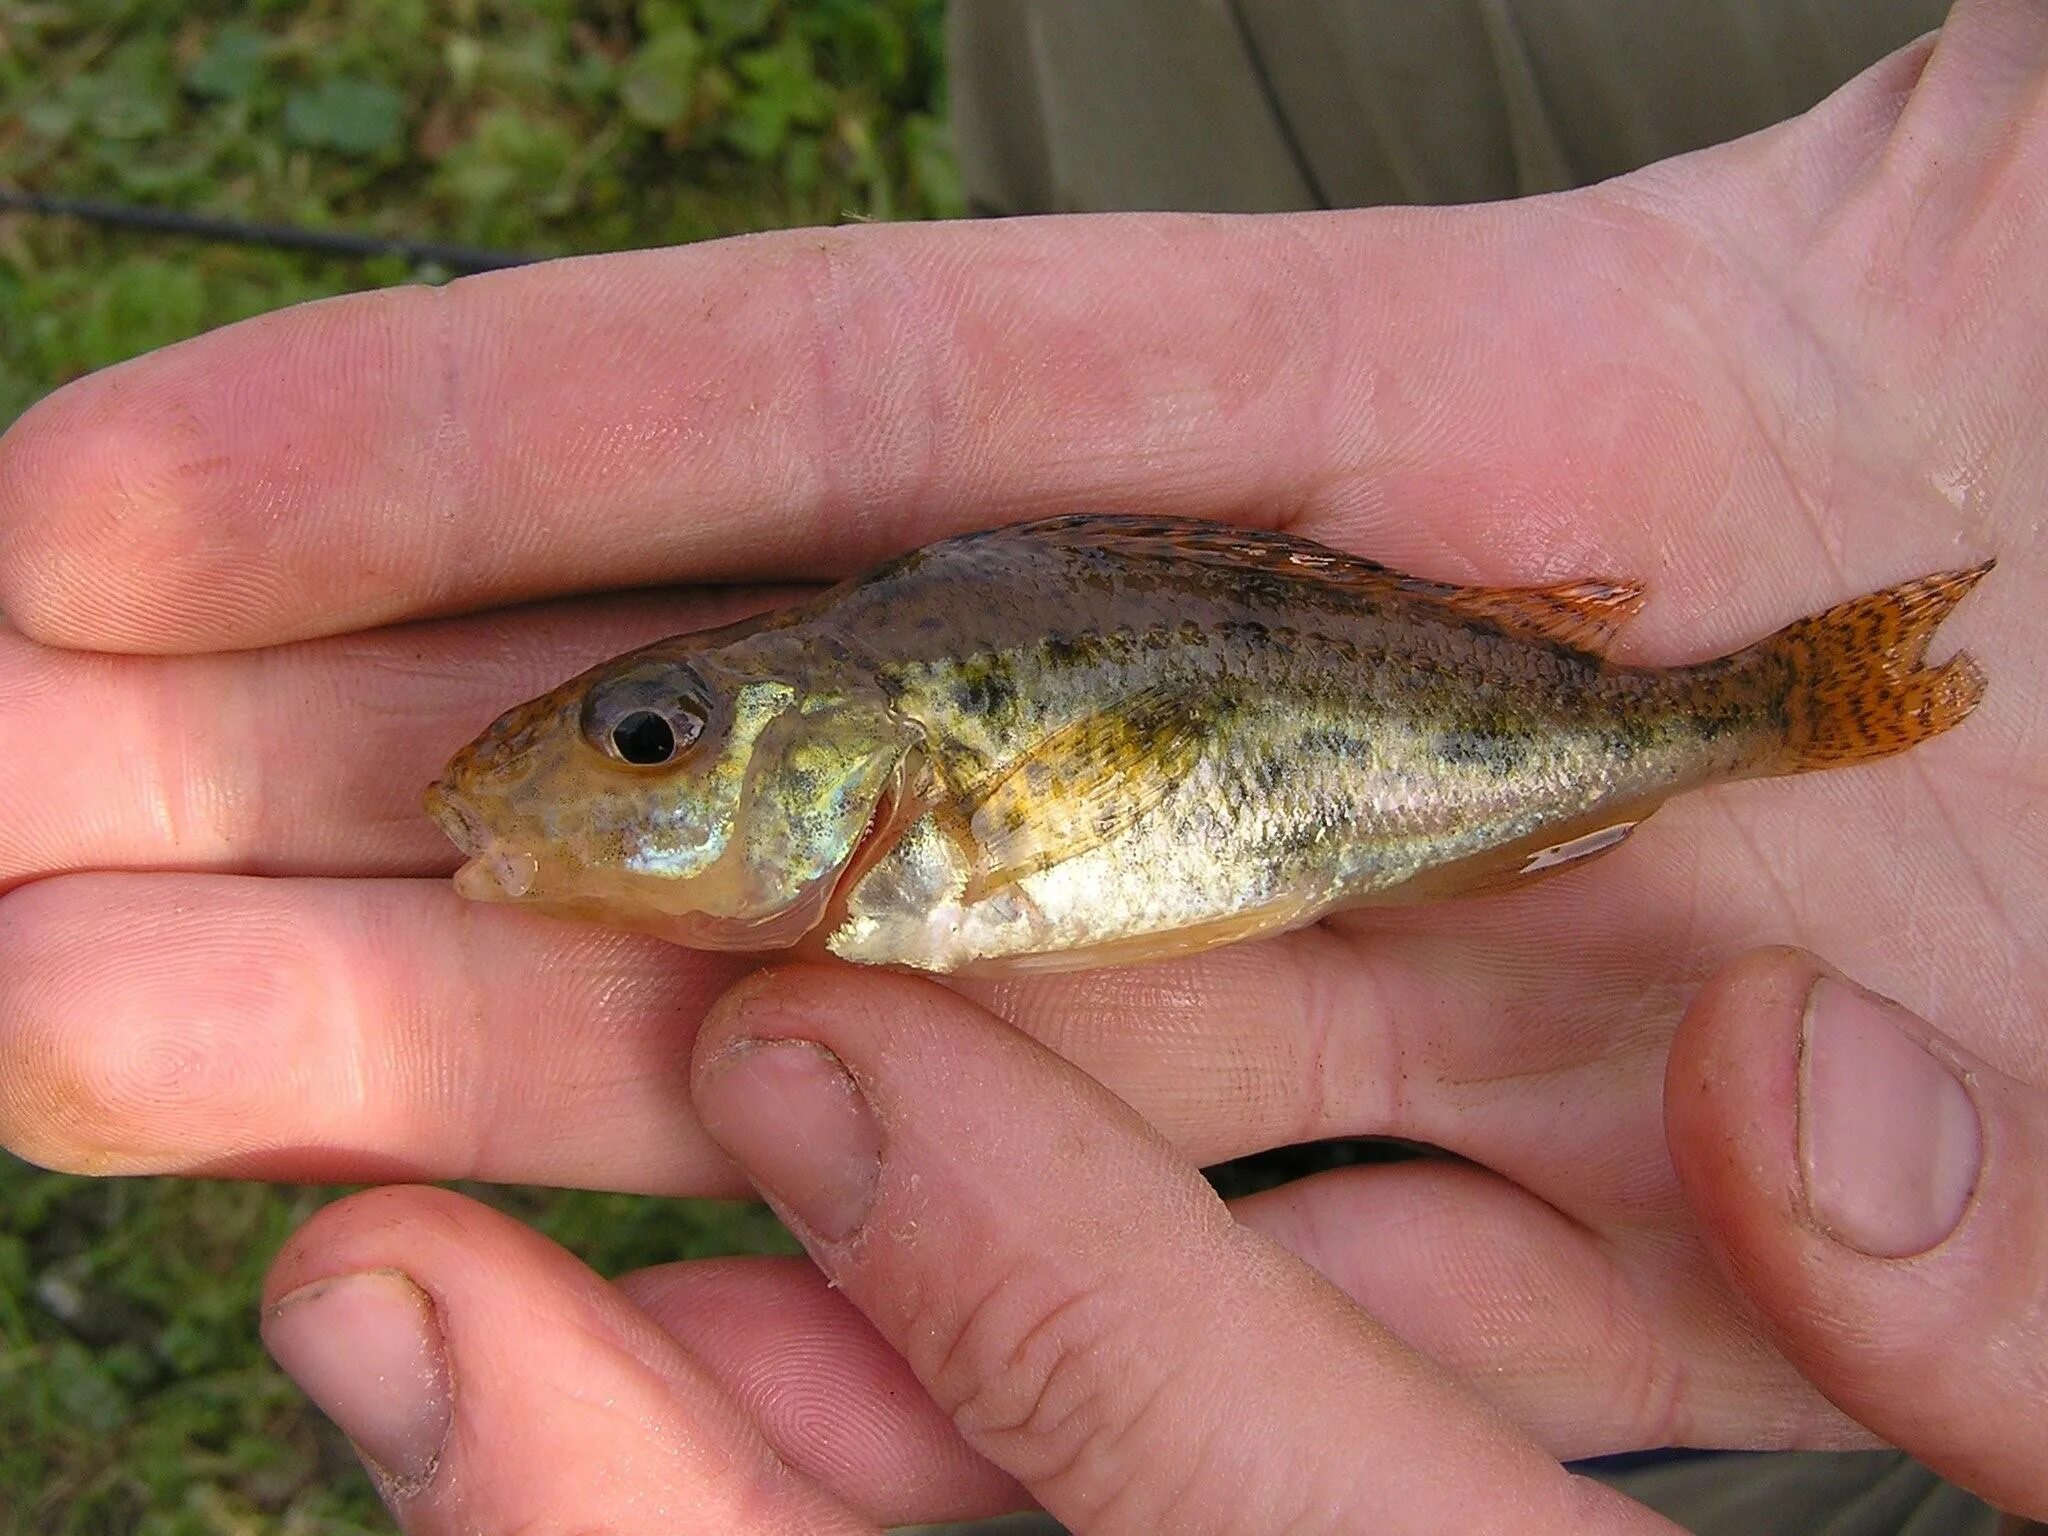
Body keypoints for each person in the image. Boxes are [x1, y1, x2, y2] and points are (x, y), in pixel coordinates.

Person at [0, 0, 2040, 1531]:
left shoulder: (928, 785)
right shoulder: (882, 788)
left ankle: (1768, 711)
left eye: (649, 741)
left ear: (841, 754)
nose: (602, 773)